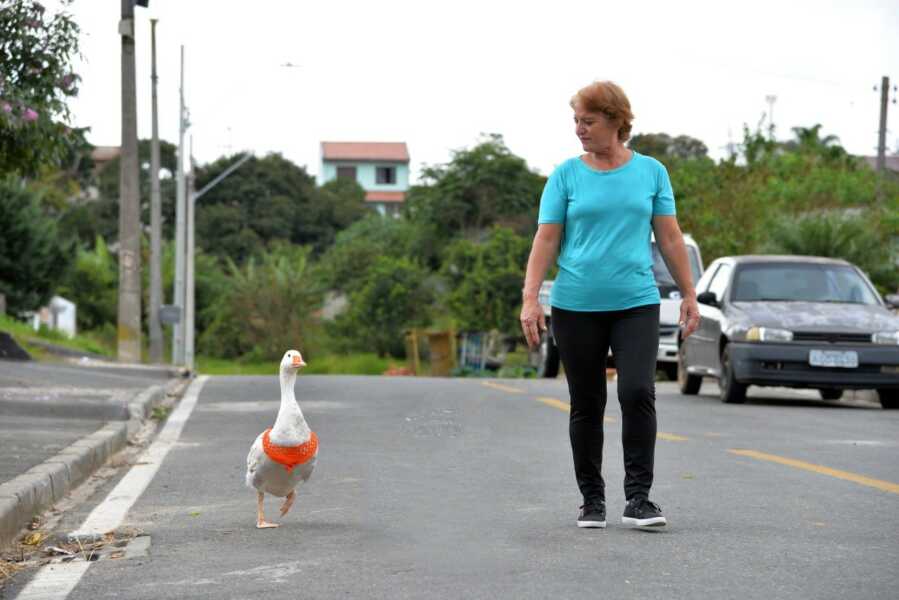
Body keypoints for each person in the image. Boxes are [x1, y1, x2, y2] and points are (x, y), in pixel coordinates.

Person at [520, 80, 700, 530]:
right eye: (576, 121)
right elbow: (546, 238)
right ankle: (592, 501)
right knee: (587, 401)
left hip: (635, 302)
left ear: (617, 121)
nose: (580, 129)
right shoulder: (565, 175)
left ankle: (638, 499)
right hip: (576, 304)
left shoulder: (651, 172)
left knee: (638, 391)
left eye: (589, 120)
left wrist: (690, 294)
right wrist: (530, 298)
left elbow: (670, 237)